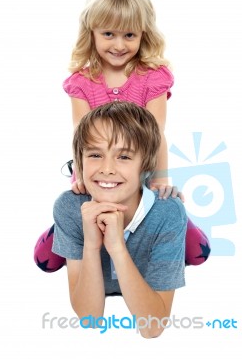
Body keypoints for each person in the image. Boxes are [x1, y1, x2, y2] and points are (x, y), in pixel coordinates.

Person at [34, 0, 210, 273]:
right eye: (109, 34)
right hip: (98, 174)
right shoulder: (82, 82)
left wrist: (160, 179)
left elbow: (156, 135)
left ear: (144, 34)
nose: (119, 44)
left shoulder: (153, 77)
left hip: (138, 172)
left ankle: (172, 227)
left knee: (196, 252)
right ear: (92, 33)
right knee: (48, 259)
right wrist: (80, 176)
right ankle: (65, 230)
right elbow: (81, 137)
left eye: (129, 35)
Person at [52, 101, 187, 338]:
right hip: (74, 225)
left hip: (165, 217)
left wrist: (117, 247)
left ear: (145, 164)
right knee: (48, 251)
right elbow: (90, 320)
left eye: (123, 156)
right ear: (80, 161)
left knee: (192, 240)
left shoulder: (168, 213)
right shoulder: (70, 207)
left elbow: (152, 328)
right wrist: (92, 245)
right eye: (95, 154)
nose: (107, 168)